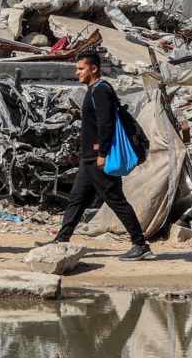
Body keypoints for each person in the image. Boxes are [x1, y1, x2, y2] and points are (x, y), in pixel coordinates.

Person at [42, 51, 154, 261]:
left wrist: (102, 153)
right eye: (77, 69)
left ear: (94, 68)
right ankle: (61, 239)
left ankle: (140, 244)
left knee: (116, 200)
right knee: (77, 199)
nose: (77, 73)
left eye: (81, 68)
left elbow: (106, 124)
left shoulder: (101, 90)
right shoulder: (93, 89)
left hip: (98, 158)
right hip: (89, 159)